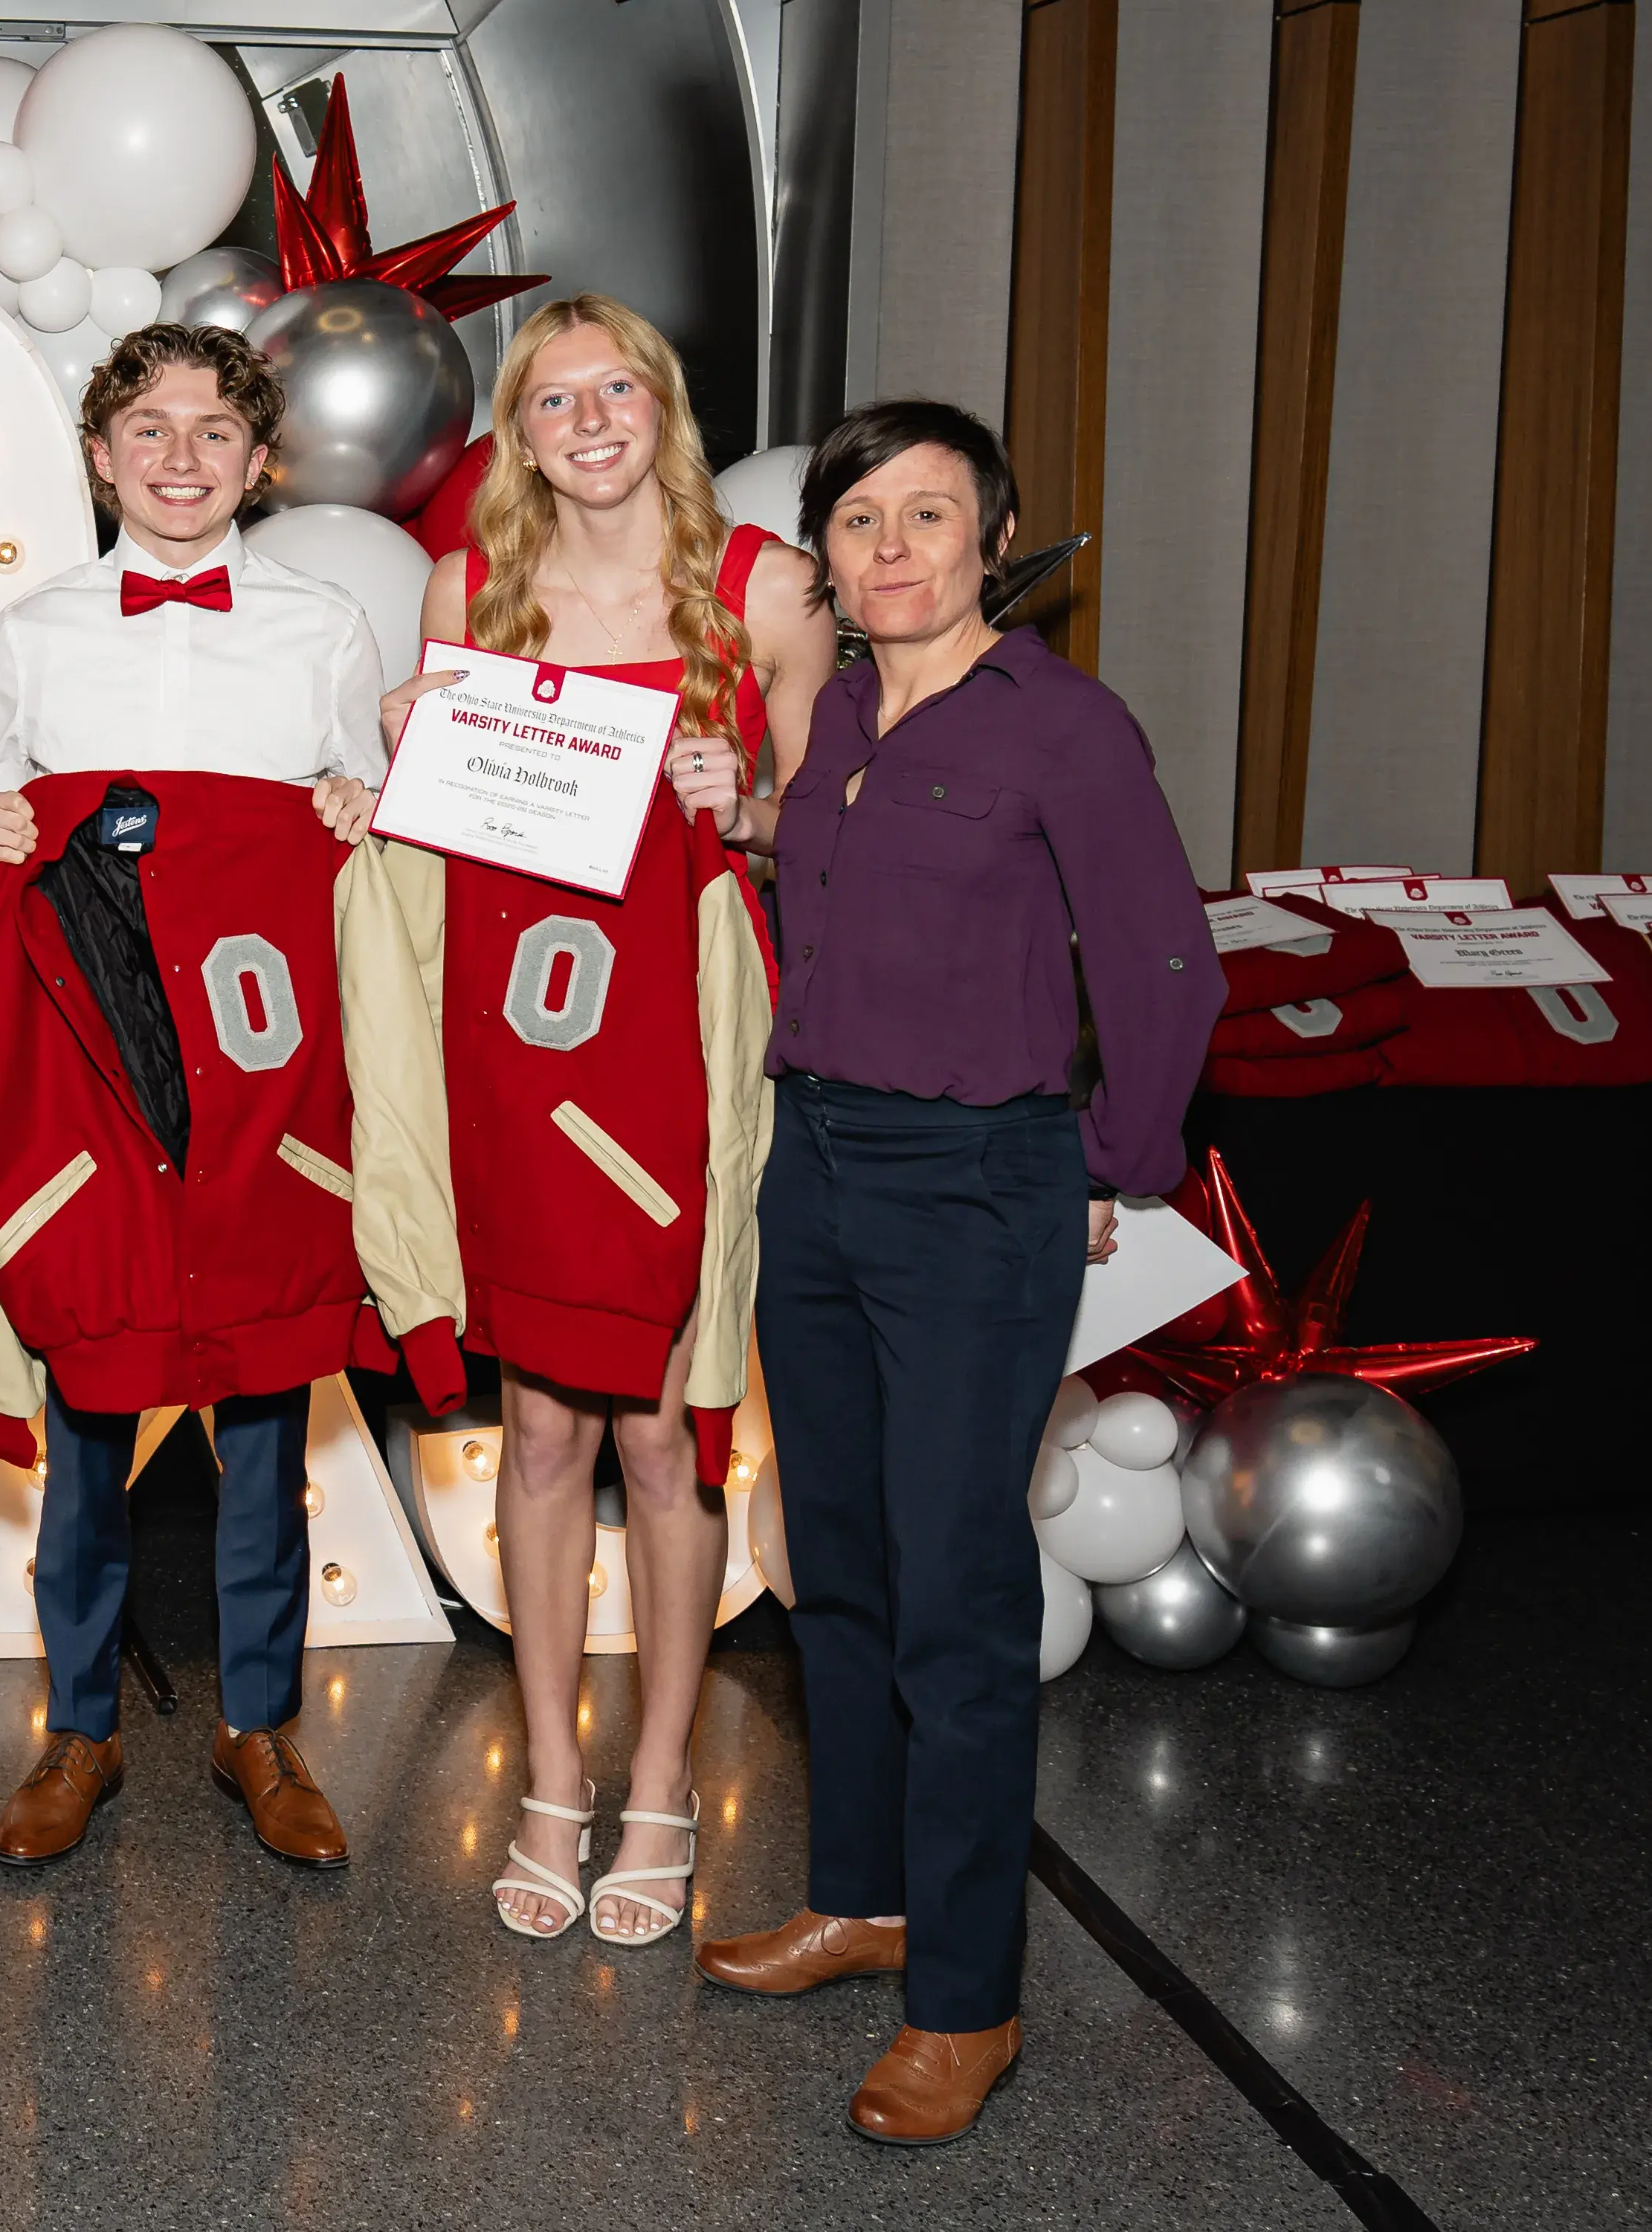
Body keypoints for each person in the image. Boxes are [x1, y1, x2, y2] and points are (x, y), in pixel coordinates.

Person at [691, 400, 1219, 2143]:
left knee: (958, 1597)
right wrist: (755, 822)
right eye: (859, 521)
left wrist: (1110, 1168)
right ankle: (866, 1895)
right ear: (824, 557)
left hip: (976, 1183)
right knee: (832, 1566)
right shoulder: (842, 707)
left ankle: (967, 1997)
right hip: (819, 1168)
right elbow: (861, 901)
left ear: (994, 538)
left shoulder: (1064, 725)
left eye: (931, 515)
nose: (892, 547)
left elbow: (1163, 966)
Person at [384, 294, 832, 1950]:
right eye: (551, 396)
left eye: (615, 386)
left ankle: (660, 1783)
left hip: (685, 1057)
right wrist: (392, 763)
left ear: (664, 403)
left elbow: (840, 831)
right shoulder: (467, 591)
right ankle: (551, 1776)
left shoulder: (763, 588)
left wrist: (758, 807)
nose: (587, 417)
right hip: (522, 1050)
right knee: (545, 1426)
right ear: (518, 432)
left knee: (664, 1429)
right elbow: (441, 830)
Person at [0, 322, 389, 1870]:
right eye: (149, 428)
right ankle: (78, 1727)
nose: (182, 457)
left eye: (216, 430)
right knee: (89, 1391)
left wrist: (362, 803)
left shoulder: (330, 629)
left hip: (266, 1068)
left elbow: (372, 838)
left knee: (267, 1400)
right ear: (98, 455)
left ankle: (259, 1724)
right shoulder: (32, 630)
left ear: (258, 459)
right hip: (91, 1068)